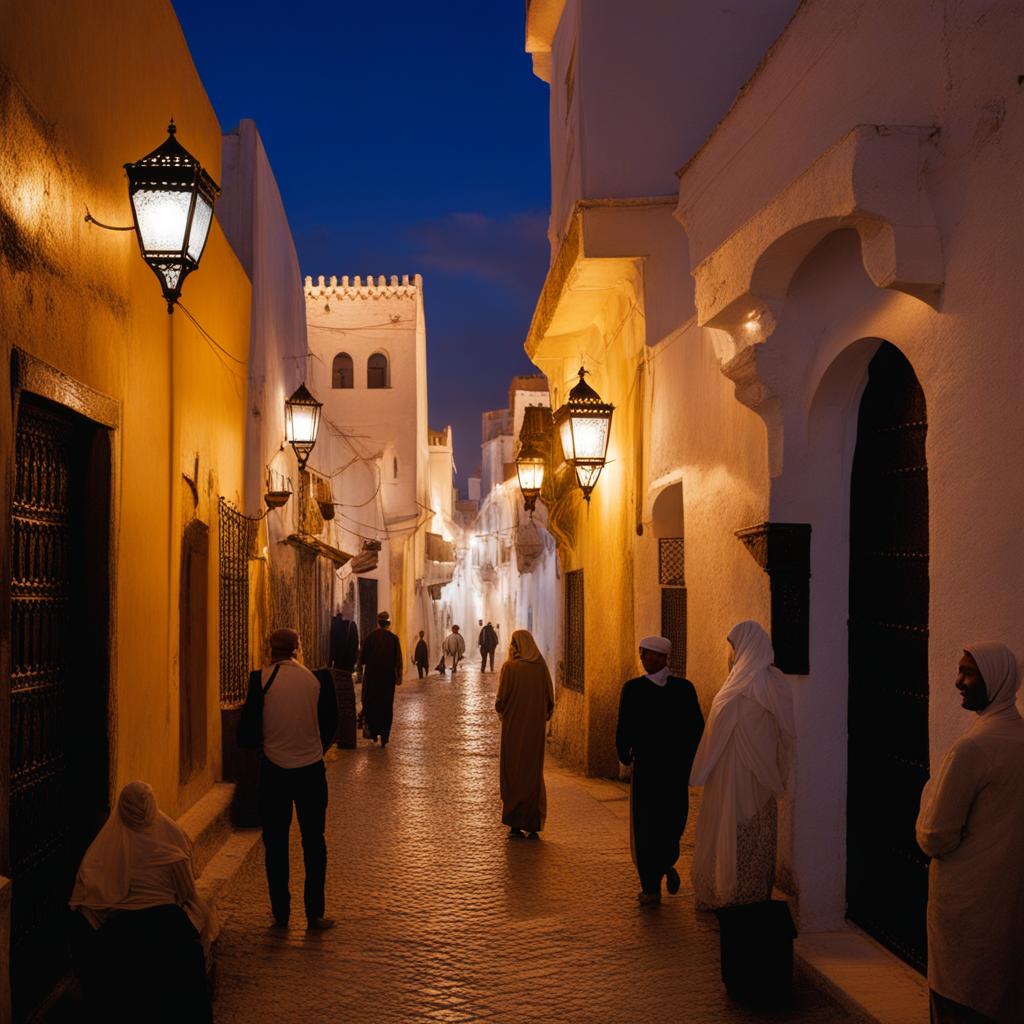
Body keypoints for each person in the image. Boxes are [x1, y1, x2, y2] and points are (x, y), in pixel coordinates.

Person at [916, 643, 1024, 1024]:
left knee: (959, 1000)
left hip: (967, 911)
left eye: (968, 673)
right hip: (1008, 908)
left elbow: (934, 836)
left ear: (994, 680)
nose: (958, 681)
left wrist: (929, 792)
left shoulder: (972, 748)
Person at [69, 781, 217, 1022]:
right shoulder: (171, 837)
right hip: (170, 925)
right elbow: (187, 893)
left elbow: (87, 900)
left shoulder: (105, 848)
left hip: (124, 930)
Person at [689, 621, 794, 910]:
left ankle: (746, 891)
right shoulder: (762, 684)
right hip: (743, 775)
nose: (732, 653)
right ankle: (741, 890)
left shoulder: (752, 687)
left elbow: (783, 731)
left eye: (735, 647)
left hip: (747, 774)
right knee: (743, 831)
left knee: (747, 831)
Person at [256, 627, 337, 930]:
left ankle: (281, 913)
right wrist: (314, 748)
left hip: (274, 773)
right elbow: (331, 722)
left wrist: (270, 745)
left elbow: (248, 733)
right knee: (314, 843)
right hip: (311, 772)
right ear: (297, 649)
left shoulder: (259, 681)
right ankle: (314, 913)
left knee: (275, 844)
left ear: (270, 649)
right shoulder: (316, 680)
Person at [616, 636, 705, 905]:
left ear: (650, 657)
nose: (644, 659)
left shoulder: (633, 689)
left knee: (646, 825)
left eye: (646, 654)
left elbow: (624, 727)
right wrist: (688, 763)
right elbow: (697, 729)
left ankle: (652, 886)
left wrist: (625, 754)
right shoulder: (684, 689)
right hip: (675, 772)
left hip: (648, 771)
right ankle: (665, 864)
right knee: (672, 821)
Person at [495, 630, 555, 839]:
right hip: (535, 731)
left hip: (513, 730)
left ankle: (515, 822)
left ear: (517, 647)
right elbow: (550, 701)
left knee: (514, 772)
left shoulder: (510, 668)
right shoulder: (541, 668)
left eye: (512, 644)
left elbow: (500, 700)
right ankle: (533, 822)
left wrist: (504, 711)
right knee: (532, 773)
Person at [359, 610, 403, 746]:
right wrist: (399, 678)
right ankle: (384, 736)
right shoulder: (394, 639)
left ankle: (373, 735)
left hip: (372, 679)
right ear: (388, 623)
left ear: (378, 623)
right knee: (386, 707)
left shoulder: (370, 637)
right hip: (387, 680)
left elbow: (362, 659)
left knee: (372, 705)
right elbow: (398, 661)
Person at [328, 601, 359, 748]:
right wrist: (353, 665)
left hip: (335, 669)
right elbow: (355, 649)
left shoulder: (334, 624)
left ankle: (335, 736)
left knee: (335, 704)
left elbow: (331, 646)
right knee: (347, 706)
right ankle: (347, 740)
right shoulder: (351, 626)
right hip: (345, 671)